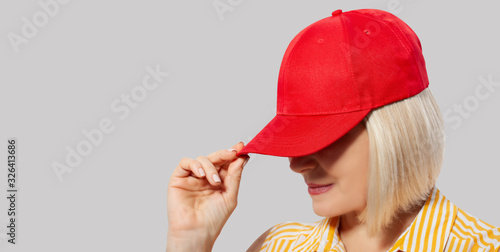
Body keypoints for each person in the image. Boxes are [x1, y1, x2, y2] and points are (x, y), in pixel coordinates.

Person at [166, 8, 500, 251]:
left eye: (324, 137)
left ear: (396, 133)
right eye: (296, 140)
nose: (297, 165)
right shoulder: (278, 247)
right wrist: (190, 240)